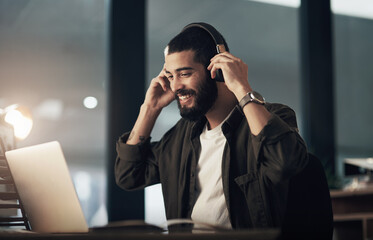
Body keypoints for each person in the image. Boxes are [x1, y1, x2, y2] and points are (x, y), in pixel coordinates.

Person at [115, 22, 309, 229]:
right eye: (171, 76)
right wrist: (150, 108)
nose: (175, 86)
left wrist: (242, 88)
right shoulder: (180, 137)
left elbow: (286, 163)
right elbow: (128, 175)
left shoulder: (274, 116)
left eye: (185, 74)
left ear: (217, 70)